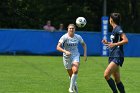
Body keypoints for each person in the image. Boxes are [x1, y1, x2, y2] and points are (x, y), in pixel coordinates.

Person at [102, 13, 128, 93]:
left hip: (117, 55)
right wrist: (108, 43)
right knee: (117, 80)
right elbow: (114, 42)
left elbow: (126, 40)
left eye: (110, 18)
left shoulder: (118, 28)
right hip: (112, 55)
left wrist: (114, 44)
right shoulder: (114, 29)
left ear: (111, 20)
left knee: (106, 74)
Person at [56, 24, 87, 93]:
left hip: (75, 55)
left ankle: (70, 88)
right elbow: (58, 47)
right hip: (66, 57)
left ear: (75, 29)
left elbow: (84, 45)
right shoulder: (64, 37)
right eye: (70, 28)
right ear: (67, 29)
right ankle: (74, 84)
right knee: (71, 75)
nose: (71, 29)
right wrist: (65, 51)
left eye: (73, 28)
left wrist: (85, 54)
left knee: (75, 71)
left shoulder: (78, 37)